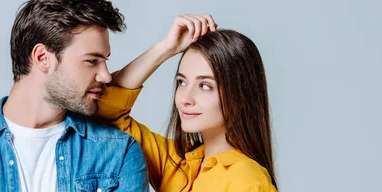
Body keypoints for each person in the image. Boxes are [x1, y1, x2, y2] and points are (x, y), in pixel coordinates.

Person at [0, 0, 148, 191]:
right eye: (92, 61)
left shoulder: (118, 154)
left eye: (105, 61)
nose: (106, 76)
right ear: (42, 58)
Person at [95, 14, 278, 191]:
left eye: (205, 86)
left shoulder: (248, 182)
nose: (184, 98)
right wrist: (166, 48)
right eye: (182, 82)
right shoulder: (177, 163)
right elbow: (106, 110)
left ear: (240, 95)